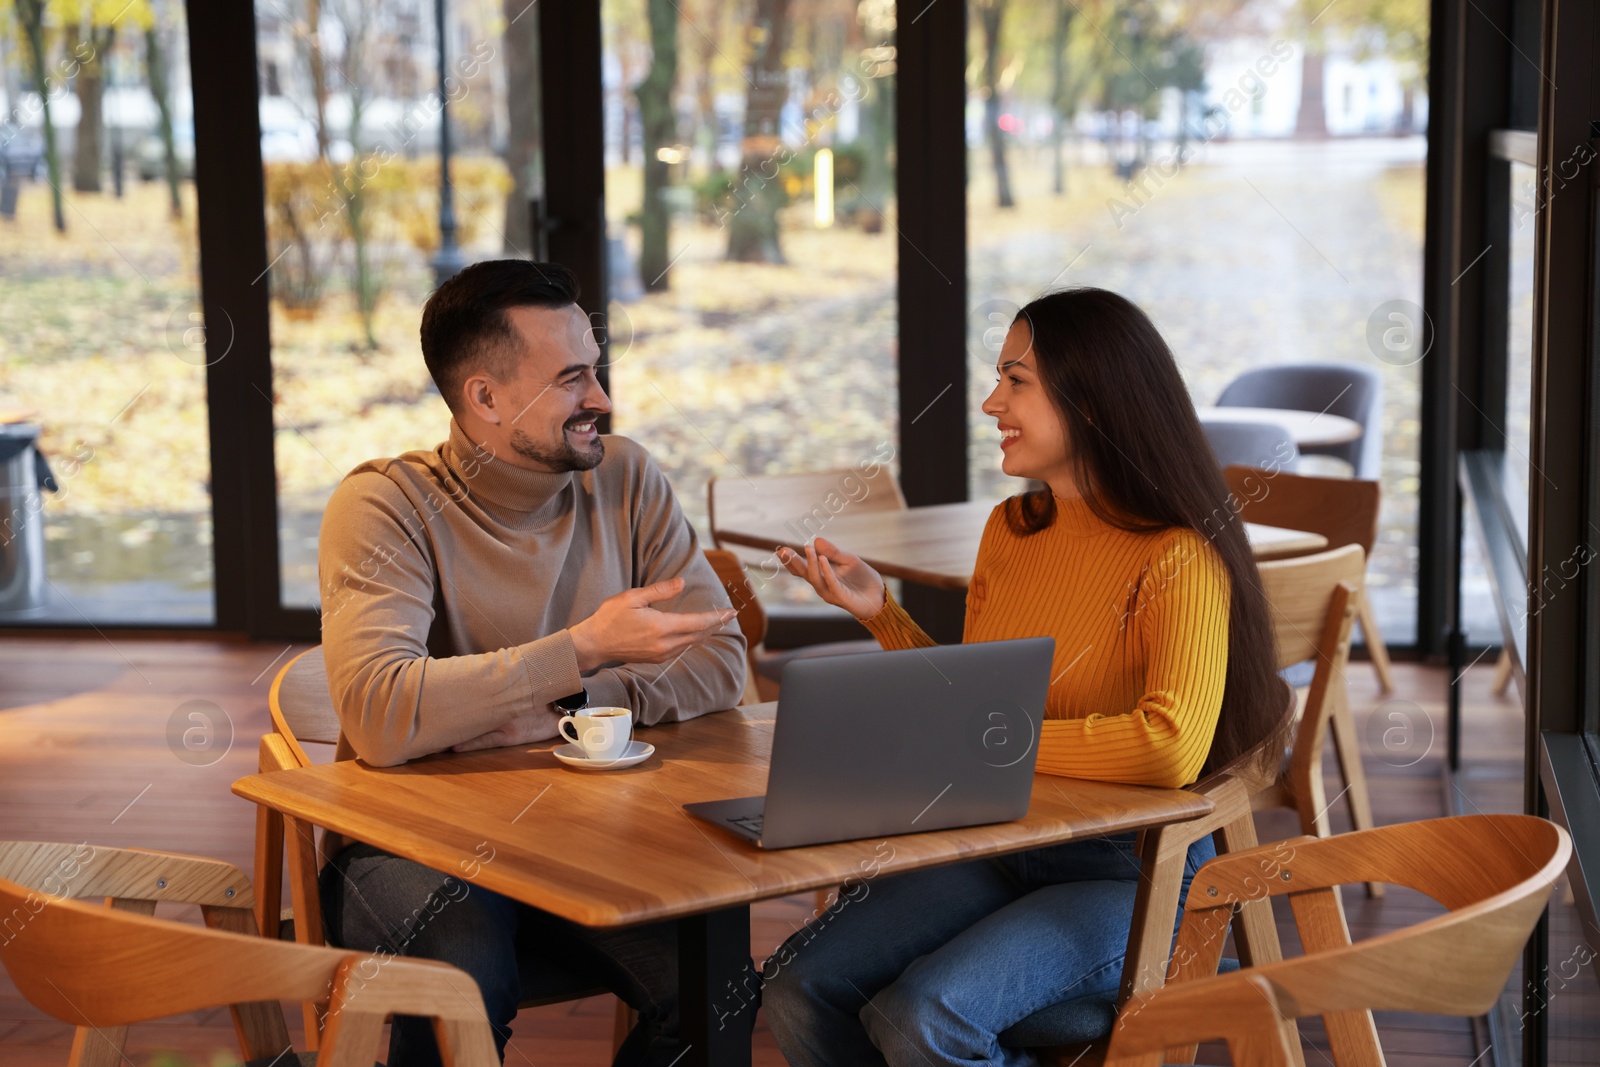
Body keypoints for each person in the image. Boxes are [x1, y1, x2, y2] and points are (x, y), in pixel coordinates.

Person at [761, 287, 1291, 1067]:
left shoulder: (1179, 555)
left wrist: (989, 740)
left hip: (1140, 876)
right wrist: (881, 614)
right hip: (1007, 847)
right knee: (796, 984)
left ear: (1095, 399)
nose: (989, 401)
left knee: (919, 1018)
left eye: (1016, 381)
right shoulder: (1010, 531)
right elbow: (975, 706)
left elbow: (1169, 748)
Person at [315, 259, 748, 1067]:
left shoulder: (626, 477)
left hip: (588, 833)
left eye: (598, 371)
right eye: (573, 379)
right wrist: (583, 646)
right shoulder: (385, 504)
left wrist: (566, 699)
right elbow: (379, 713)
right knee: (465, 963)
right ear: (485, 397)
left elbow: (721, 663)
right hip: (412, 839)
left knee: (716, 981)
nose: (603, 400)